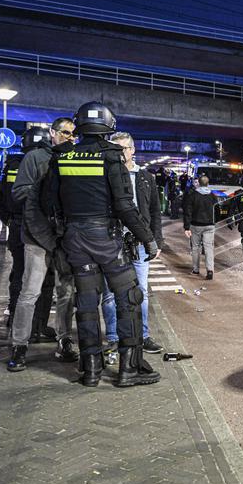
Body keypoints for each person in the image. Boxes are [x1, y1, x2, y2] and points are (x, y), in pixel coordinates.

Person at [51, 101, 160, 388]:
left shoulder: (61, 155)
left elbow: (50, 203)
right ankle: (129, 369)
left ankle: (90, 370)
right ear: (109, 125)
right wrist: (147, 238)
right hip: (106, 239)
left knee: (86, 303)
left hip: (74, 239)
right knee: (130, 299)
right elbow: (125, 206)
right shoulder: (111, 156)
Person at [7, 118, 78, 372]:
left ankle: (64, 339)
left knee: (66, 293)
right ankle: (19, 345)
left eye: (72, 134)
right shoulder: (35, 158)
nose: (69, 137)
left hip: (65, 240)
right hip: (37, 236)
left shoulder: (75, 158)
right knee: (29, 293)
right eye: (64, 133)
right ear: (52, 133)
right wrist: (44, 192)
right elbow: (18, 193)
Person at [100, 132, 165, 360]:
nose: (122, 153)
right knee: (109, 294)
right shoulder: (104, 175)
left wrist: (156, 239)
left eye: (125, 148)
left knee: (142, 292)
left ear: (133, 150)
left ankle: (142, 336)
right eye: (116, 149)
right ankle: (113, 338)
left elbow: (155, 211)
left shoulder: (146, 177)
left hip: (138, 242)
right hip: (112, 241)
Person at [184, 173, 219, 279]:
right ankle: (210, 270)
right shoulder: (213, 196)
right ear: (208, 184)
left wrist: (186, 226)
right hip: (209, 225)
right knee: (209, 248)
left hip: (196, 225)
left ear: (198, 183)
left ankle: (196, 270)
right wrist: (214, 221)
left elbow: (188, 211)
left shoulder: (193, 195)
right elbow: (217, 210)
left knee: (195, 248)